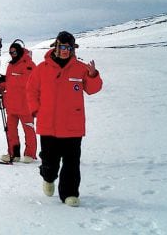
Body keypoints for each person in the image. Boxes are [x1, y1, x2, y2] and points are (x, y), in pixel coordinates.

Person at [26, 31, 102, 207]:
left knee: (71, 163)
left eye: (69, 47)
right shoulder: (42, 69)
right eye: (63, 47)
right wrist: (36, 110)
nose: (66, 51)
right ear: (56, 47)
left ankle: (69, 194)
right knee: (50, 162)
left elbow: (92, 89)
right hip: (48, 125)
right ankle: (48, 178)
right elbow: (31, 91)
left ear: (72, 49)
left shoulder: (80, 68)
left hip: (72, 125)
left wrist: (92, 75)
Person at [0, 40, 37, 163]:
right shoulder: (11, 65)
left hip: (26, 106)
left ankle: (30, 154)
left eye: (14, 51)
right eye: (10, 52)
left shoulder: (29, 64)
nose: (12, 54)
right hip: (12, 104)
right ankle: (13, 154)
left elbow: (27, 82)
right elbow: (10, 82)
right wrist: (1, 85)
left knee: (28, 131)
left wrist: (8, 80)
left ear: (19, 51)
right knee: (11, 130)